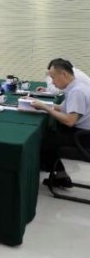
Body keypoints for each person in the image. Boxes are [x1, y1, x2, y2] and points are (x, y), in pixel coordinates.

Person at [31, 58, 90, 188]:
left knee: (43, 140)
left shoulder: (77, 91)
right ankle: (60, 175)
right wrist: (39, 104)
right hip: (82, 131)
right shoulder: (75, 87)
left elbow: (70, 121)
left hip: (83, 137)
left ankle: (60, 175)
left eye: (53, 78)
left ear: (63, 74)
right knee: (50, 133)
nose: (52, 82)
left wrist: (45, 108)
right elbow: (62, 108)